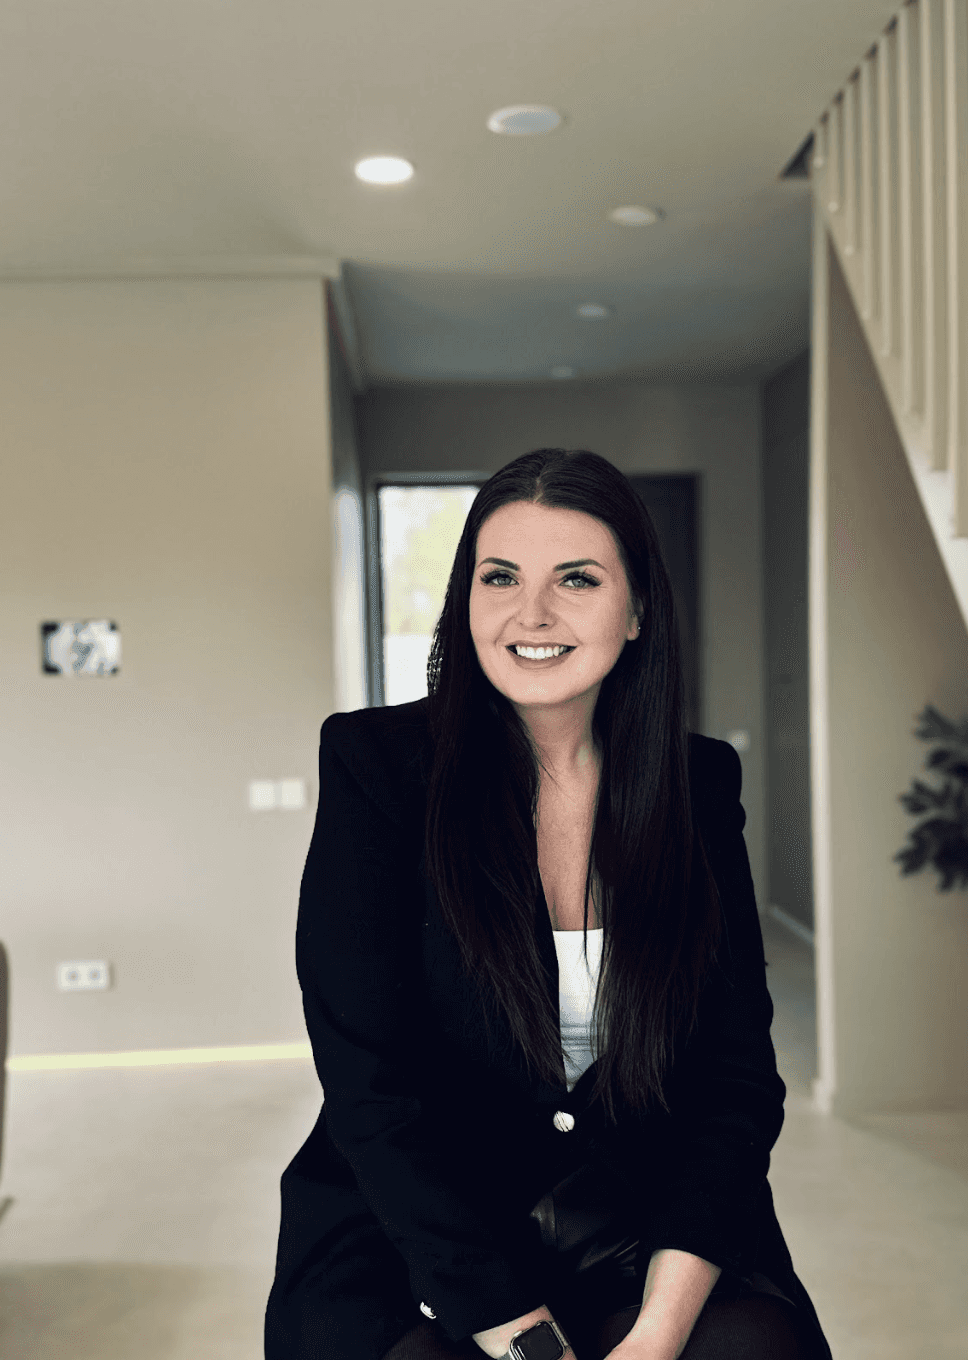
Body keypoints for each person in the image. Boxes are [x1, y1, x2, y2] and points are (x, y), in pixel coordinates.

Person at [265, 449, 831, 1360]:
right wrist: (530, 1344)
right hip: (420, 1218)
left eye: (577, 579)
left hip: (639, 1207)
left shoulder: (697, 782)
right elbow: (372, 1088)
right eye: (501, 577)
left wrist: (658, 1333)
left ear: (638, 609)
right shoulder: (378, 770)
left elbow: (733, 1078)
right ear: (466, 600)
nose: (532, 614)